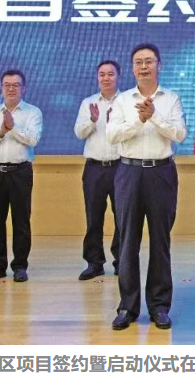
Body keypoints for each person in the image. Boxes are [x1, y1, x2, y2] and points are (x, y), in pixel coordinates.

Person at [107, 43, 187, 330]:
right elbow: (113, 135)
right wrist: (139, 119)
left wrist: (154, 115)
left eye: (149, 61)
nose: (144, 66)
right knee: (128, 241)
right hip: (129, 172)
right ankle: (127, 307)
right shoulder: (122, 100)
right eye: (139, 62)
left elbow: (179, 133)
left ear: (159, 65)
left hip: (161, 173)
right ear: (132, 68)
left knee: (160, 241)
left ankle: (159, 307)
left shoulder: (171, 99)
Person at [0, 69, 43, 283]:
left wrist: (13, 128)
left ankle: (20, 266)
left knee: (21, 221)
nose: (11, 88)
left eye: (16, 85)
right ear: (1, 88)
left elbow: (33, 139)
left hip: (20, 172)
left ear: (24, 88)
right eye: (7, 85)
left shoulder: (33, 113)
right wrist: (1, 133)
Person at [74, 60, 122, 280]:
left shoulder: (126, 101)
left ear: (118, 76)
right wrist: (93, 121)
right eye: (102, 74)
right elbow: (79, 133)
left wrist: (115, 124)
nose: (106, 78)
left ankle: (122, 261)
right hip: (94, 168)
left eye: (110, 74)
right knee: (93, 217)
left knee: (123, 217)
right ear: (97, 78)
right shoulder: (88, 103)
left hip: (121, 166)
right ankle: (94, 263)